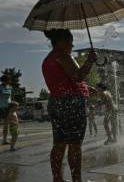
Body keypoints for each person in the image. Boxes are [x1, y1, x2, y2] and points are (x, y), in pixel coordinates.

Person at [42, 29, 97, 182]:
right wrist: (90, 60)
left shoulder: (49, 58)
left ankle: (57, 178)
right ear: (61, 42)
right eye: (70, 42)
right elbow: (78, 76)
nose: (72, 45)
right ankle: (76, 179)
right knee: (74, 144)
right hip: (71, 104)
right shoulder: (63, 55)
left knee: (59, 143)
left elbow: (63, 80)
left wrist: (86, 88)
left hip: (56, 102)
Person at [0, 75, 12, 145]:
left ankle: (4, 140)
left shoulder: (10, 87)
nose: (9, 81)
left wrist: (11, 106)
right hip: (0, 107)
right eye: (8, 80)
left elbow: (10, 97)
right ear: (3, 80)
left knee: (6, 125)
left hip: (7, 107)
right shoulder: (0, 87)